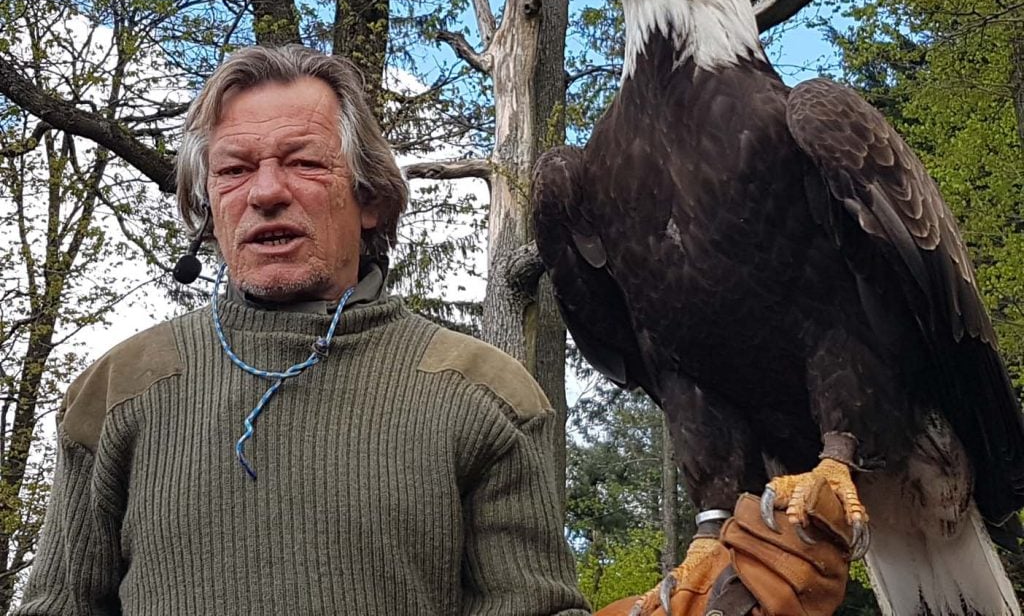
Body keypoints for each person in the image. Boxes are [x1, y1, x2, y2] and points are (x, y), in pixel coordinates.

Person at [17, 44, 852, 616]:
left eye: (304, 163)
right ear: (208, 205)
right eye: (234, 171)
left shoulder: (480, 393)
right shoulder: (122, 389)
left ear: (371, 196)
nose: (265, 192)